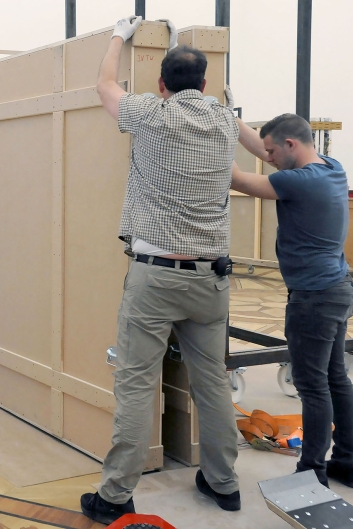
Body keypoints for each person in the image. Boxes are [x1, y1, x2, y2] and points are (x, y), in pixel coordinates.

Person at [79, 16, 242, 525]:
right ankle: (224, 483)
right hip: (211, 277)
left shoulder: (151, 113)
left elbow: (104, 86)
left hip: (156, 274)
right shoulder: (225, 121)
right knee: (212, 382)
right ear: (208, 85)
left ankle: (115, 495)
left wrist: (118, 38)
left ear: (161, 85)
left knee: (135, 382)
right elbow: (259, 143)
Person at [231, 113, 353, 489]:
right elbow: (264, 145)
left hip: (313, 299)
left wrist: (210, 133)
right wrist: (230, 118)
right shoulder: (331, 169)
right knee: (335, 378)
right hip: (338, 288)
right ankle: (346, 465)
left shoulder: (296, 182)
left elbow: (237, 179)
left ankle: (312, 472)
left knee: (312, 385)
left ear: (290, 146)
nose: (267, 156)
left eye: (272, 151)